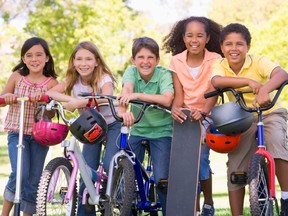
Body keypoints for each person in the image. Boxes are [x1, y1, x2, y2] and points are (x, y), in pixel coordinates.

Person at [211, 23, 288, 216]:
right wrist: (247, 82)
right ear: (222, 48)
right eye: (228, 44)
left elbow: (282, 74)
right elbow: (216, 81)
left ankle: (286, 197)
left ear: (248, 47)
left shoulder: (259, 61)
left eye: (240, 44)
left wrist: (264, 89)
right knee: (235, 164)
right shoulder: (219, 65)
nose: (234, 48)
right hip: (241, 118)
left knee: (276, 141)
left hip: (269, 113)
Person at [46, 41, 121, 216]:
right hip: (89, 127)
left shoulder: (104, 78)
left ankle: (113, 200)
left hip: (112, 124)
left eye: (88, 59)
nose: (83, 63)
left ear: (96, 62)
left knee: (111, 164)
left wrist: (80, 102)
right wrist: (68, 102)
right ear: (73, 62)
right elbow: (51, 93)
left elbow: (107, 97)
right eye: (78, 59)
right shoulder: (73, 79)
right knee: (85, 171)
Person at [162, 16, 222, 215]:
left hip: (207, 114)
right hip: (186, 117)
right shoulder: (176, 61)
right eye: (190, 35)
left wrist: (203, 112)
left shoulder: (215, 59)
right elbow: (179, 96)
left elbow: (214, 91)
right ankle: (192, 209)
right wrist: (175, 109)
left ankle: (208, 204)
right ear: (183, 37)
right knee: (186, 165)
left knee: (201, 160)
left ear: (207, 38)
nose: (194, 40)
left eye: (199, 35)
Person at [0, 37, 58, 216]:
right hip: (17, 133)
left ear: (47, 58)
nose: (34, 59)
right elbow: (2, 99)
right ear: (23, 59)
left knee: (34, 180)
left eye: (39, 55)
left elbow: (52, 113)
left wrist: (43, 102)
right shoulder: (17, 76)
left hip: (40, 136)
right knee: (20, 173)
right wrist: (9, 96)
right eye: (29, 55)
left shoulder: (51, 83)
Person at [117, 36, 174, 215]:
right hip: (139, 130)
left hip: (162, 131)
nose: (145, 61)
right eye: (140, 57)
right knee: (126, 168)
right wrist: (123, 111)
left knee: (162, 179)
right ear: (133, 60)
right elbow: (126, 91)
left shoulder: (164, 73)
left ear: (157, 60)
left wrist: (139, 96)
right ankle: (128, 205)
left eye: (150, 57)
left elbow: (167, 99)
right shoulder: (131, 72)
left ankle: (167, 211)